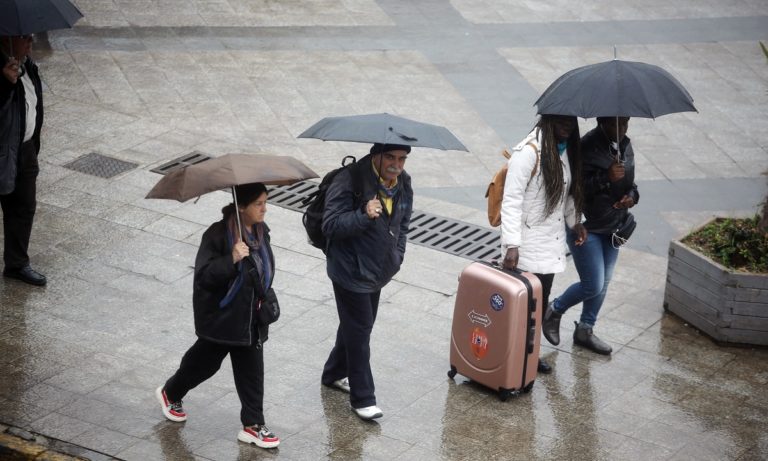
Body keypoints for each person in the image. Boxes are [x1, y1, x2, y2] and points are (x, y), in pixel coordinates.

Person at [156, 183, 280, 449]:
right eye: (259, 204)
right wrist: (231, 259)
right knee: (204, 364)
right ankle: (171, 392)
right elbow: (204, 277)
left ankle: (253, 425)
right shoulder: (217, 235)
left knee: (252, 371)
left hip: (251, 317)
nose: (265, 209)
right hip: (223, 318)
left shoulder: (261, 232)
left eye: (265, 202)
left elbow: (263, 269)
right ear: (242, 206)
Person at [320, 143, 413, 421]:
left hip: (378, 269)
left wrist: (397, 256)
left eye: (402, 159)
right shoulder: (349, 179)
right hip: (349, 270)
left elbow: (403, 222)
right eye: (390, 157)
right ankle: (363, 398)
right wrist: (363, 215)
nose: (396, 164)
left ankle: (334, 372)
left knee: (357, 324)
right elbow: (330, 225)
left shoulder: (403, 182)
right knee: (360, 330)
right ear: (376, 156)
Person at [543, 117, 639, 355]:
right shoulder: (586, 146)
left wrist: (631, 196)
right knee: (593, 284)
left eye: (625, 123)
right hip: (587, 225)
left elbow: (631, 183)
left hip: (614, 225)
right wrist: (606, 177)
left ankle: (585, 329)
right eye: (615, 124)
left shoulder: (625, 146)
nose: (621, 129)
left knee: (603, 283)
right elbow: (574, 188)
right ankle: (554, 309)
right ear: (601, 122)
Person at [500, 114, 587, 373]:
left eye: (570, 122)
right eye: (561, 121)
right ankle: (511, 356)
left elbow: (567, 195)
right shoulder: (528, 153)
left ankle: (530, 354)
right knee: (521, 305)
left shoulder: (565, 151)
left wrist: (576, 222)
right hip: (525, 246)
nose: (566, 126)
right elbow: (511, 200)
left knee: (539, 303)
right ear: (548, 120)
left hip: (549, 245)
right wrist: (511, 245)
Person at [1, 34, 46, 286]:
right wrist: (4, 83)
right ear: (6, 39)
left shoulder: (27, 65)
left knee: (24, 206)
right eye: (24, 38)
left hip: (25, 149)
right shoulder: (5, 69)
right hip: (3, 151)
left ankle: (17, 264)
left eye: (31, 37)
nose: (30, 42)